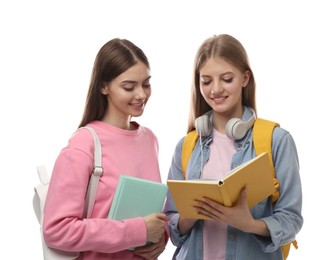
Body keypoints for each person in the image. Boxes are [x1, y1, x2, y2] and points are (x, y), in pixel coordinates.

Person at [163, 34, 303, 259]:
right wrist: (187, 218)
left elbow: (292, 219)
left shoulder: (277, 140)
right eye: (206, 81)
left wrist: (249, 224)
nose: (215, 89)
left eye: (227, 79)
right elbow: (171, 223)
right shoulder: (187, 145)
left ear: (245, 78)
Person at [43, 38, 169, 260]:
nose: (141, 94)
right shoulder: (84, 145)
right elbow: (56, 230)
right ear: (104, 86)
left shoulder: (149, 140)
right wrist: (136, 231)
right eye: (129, 87)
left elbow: (151, 212)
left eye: (146, 84)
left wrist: (161, 238)